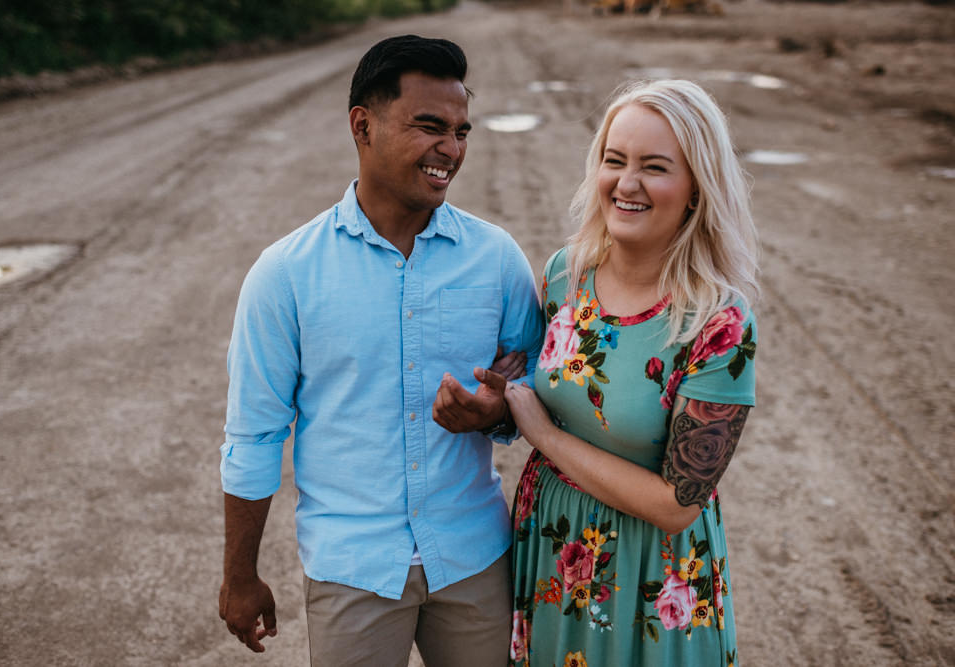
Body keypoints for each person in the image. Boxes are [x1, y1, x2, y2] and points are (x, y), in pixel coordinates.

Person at [217, 35, 544, 666]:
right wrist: (239, 576)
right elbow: (254, 435)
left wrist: (498, 414)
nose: (450, 149)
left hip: (474, 556)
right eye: (429, 126)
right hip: (353, 569)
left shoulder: (496, 258)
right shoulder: (286, 273)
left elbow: (532, 384)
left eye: (460, 131)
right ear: (361, 126)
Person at [502, 79, 759, 666]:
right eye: (614, 161)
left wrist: (543, 437)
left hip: (652, 574)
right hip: (551, 552)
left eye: (655, 167)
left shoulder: (718, 322)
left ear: (696, 188)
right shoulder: (567, 274)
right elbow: (533, 387)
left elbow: (678, 503)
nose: (628, 183)